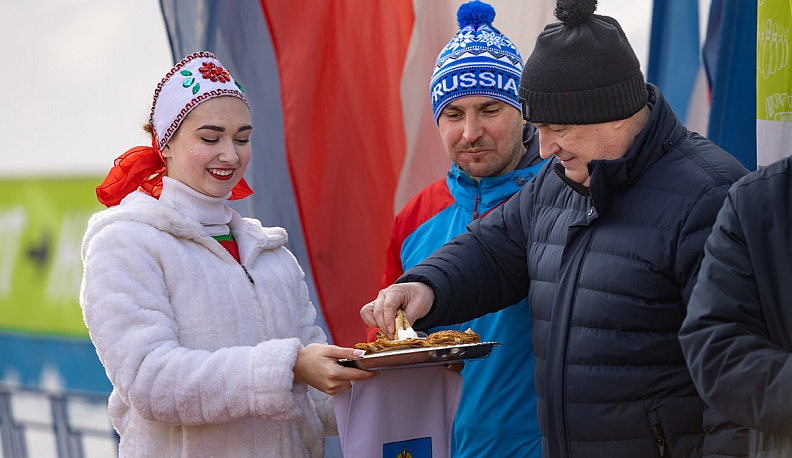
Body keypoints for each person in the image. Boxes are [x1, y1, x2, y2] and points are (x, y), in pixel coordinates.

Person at [362, 0, 751, 456]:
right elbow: (493, 248)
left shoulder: (712, 196)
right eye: (538, 127)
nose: (544, 148)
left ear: (613, 112)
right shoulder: (561, 177)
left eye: (557, 128)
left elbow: (741, 378)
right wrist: (426, 287)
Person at [81, 51, 375, 457]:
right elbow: (151, 381)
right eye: (210, 138)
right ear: (165, 143)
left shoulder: (270, 253)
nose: (231, 156)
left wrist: (385, 376)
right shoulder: (125, 243)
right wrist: (288, 366)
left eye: (242, 138)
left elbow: (314, 401)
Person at [368, 1, 545, 456]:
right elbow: (384, 342)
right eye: (453, 114)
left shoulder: (561, 198)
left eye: (489, 109)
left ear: (523, 111)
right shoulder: (415, 216)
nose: (470, 132)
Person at [679, 156, 792, 457]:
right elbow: (715, 346)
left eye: (563, 133)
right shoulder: (757, 200)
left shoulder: (709, 187)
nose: (558, 148)